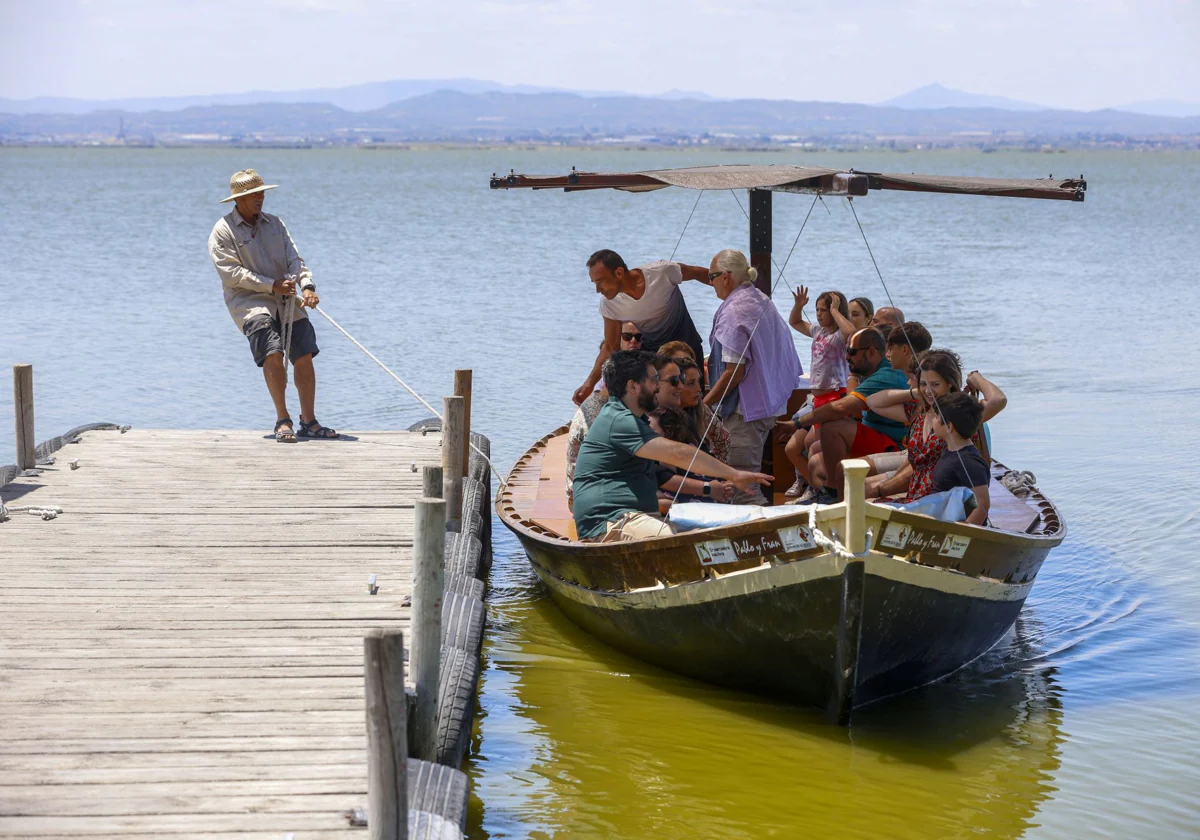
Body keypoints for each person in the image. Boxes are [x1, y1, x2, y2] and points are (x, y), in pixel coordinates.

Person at [572, 350, 771, 542]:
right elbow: (678, 454)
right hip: (610, 522)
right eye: (652, 380)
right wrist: (734, 475)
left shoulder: (633, 419)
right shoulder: (618, 420)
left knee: (717, 529)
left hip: (634, 517)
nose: (658, 386)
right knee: (673, 540)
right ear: (633, 387)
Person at [208, 168, 337, 443]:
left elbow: (294, 259)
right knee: (272, 352)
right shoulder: (222, 231)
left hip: (287, 298)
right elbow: (232, 274)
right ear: (238, 199)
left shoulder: (275, 224)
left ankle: (309, 421)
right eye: (253, 194)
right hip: (250, 303)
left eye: (261, 193)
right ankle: (283, 420)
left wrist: (308, 286)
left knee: (304, 353)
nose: (260, 198)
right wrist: (271, 285)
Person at [704, 249, 803, 504]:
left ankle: (766, 541)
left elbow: (734, 371)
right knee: (741, 484)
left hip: (743, 412)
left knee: (743, 490)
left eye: (711, 277)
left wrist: (704, 407)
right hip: (765, 404)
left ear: (726, 277)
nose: (710, 283)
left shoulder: (734, 311)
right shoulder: (759, 299)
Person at [573, 250, 711, 405]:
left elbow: (697, 273)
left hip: (688, 348)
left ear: (619, 272)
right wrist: (589, 384)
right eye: (595, 283)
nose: (598, 290)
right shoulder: (610, 304)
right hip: (655, 356)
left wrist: (731, 291)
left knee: (693, 402)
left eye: (600, 282)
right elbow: (610, 347)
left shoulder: (662, 272)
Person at [866, 351, 1006, 502]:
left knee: (866, 500)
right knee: (860, 495)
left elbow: (998, 400)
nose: (928, 390)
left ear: (949, 384)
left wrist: (975, 378)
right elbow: (873, 402)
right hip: (915, 497)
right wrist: (915, 393)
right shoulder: (919, 412)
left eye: (935, 384)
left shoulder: (961, 413)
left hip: (942, 503)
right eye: (924, 384)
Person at [790, 328, 907, 503]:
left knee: (831, 425)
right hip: (876, 436)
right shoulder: (870, 373)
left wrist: (797, 423)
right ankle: (828, 499)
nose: (847, 357)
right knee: (815, 459)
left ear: (872, 352)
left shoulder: (885, 375)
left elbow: (841, 407)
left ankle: (834, 494)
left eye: (852, 352)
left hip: (894, 444)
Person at [785, 287, 856, 495]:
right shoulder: (818, 332)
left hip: (834, 394)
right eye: (817, 309)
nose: (818, 314)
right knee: (809, 443)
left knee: (812, 443)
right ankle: (815, 486)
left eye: (823, 310)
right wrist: (799, 306)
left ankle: (822, 487)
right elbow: (795, 322)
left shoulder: (839, 337)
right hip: (818, 397)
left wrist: (835, 311)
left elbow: (850, 332)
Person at [929, 392, 991, 526]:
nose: (933, 420)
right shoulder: (951, 451)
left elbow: (982, 505)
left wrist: (960, 535)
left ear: (949, 427)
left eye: (936, 417)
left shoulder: (969, 461)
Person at [677, 357, 730, 463]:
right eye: (691, 383)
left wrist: (716, 470)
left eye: (698, 381)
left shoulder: (700, 409)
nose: (699, 389)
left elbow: (724, 438)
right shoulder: (660, 416)